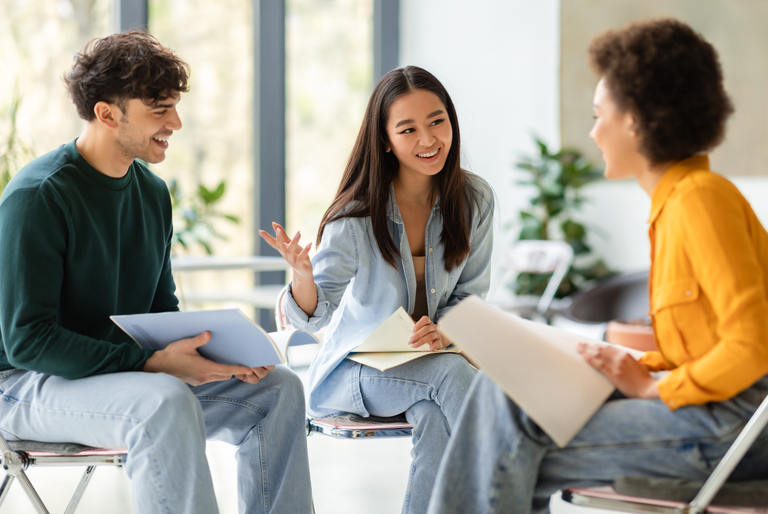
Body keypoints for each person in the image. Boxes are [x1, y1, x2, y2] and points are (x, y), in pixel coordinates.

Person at [426, 18, 768, 514]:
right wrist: (625, 367)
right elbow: (703, 347)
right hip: (711, 412)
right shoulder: (676, 204)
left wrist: (656, 386)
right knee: (499, 396)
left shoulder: (700, 201)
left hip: (731, 426)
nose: (593, 131)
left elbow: (754, 344)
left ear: (633, 121)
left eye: (598, 114)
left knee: (503, 442)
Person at [0, 30, 312, 514]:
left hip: (120, 378)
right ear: (107, 113)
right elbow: (29, 343)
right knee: (164, 401)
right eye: (159, 110)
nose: (176, 122)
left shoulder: (151, 193)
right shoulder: (39, 196)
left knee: (279, 390)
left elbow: (162, 313)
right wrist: (152, 363)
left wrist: (217, 355)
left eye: (174, 107)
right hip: (23, 386)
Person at [260, 65, 494, 514]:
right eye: (408, 129)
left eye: (437, 121)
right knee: (453, 376)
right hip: (356, 372)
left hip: (432, 368)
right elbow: (317, 314)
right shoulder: (356, 215)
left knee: (435, 416)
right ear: (386, 139)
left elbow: (472, 295)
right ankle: (510, 487)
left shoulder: (475, 201)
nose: (428, 140)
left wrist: (445, 332)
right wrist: (303, 277)